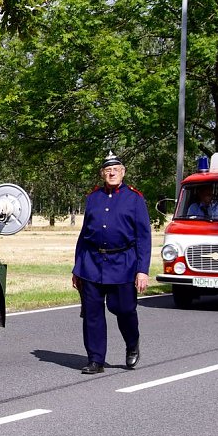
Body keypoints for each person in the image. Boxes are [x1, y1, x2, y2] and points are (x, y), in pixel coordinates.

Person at [72, 152, 151, 374]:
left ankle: (132, 343)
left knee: (123, 309)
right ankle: (95, 360)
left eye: (116, 169)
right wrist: (77, 267)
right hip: (92, 263)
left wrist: (142, 270)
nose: (112, 173)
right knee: (92, 314)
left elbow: (143, 237)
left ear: (123, 172)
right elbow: (84, 235)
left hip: (123, 263)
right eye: (108, 170)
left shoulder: (134, 198)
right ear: (102, 174)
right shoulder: (93, 197)